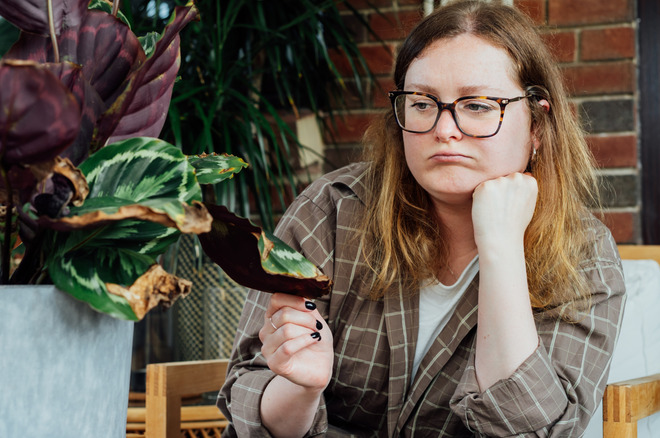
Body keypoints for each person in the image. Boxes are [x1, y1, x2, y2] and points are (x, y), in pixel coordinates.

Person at [216, 1, 626, 436]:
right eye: (423, 103)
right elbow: (248, 399)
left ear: (537, 126)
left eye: (478, 105)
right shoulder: (332, 210)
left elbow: (533, 431)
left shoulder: (585, 256)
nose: (444, 130)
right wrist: (300, 388)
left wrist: (502, 248)